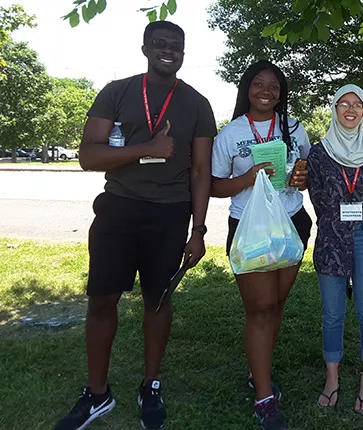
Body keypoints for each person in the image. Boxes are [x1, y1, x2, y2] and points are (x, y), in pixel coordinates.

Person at [54, 21, 216, 430]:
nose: (168, 51)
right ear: (144, 47)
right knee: (102, 300)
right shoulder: (117, 91)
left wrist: (198, 230)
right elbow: (88, 155)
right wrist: (147, 148)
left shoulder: (197, 103)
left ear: (184, 52)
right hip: (118, 209)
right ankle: (97, 393)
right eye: (160, 44)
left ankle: (151, 384)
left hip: (170, 214)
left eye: (176, 46)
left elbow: (200, 171)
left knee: (158, 301)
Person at [210, 60, 311, 430]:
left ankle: (260, 372)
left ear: (281, 92)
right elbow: (214, 186)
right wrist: (249, 177)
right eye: (258, 84)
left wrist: (301, 176)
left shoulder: (295, 128)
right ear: (246, 89)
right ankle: (265, 398)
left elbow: (305, 172)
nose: (266, 91)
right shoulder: (230, 134)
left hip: (291, 223)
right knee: (261, 308)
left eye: (274, 85)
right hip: (250, 227)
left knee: (277, 303)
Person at [307, 84, 363, 413]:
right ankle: (332, 378)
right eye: (344, 103)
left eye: (358, 104)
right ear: (334, 108)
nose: (351, 109)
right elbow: (317, 198)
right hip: (330, 239)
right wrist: (342, 210)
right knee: (331, 314)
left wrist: (351, 208)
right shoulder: (319, 151)